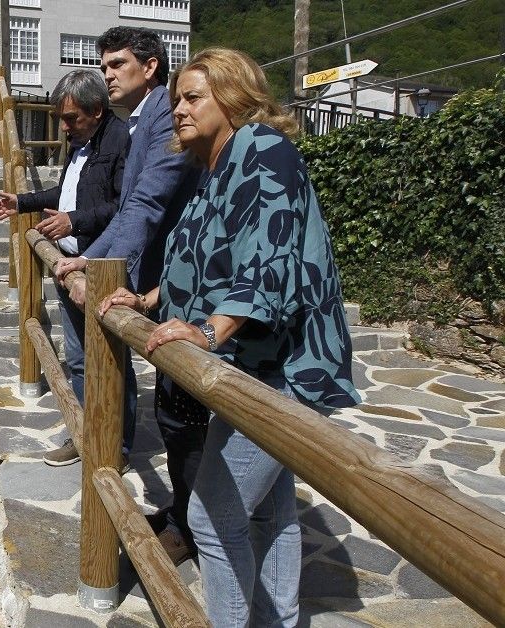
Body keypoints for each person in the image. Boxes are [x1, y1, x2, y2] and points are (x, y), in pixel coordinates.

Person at [99, 48, 360, 626]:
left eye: (194, 97)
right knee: (269, 513)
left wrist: (211, 331)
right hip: (255, 365)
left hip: (285, 367)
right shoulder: (213, 167)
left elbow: (270, 258)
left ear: (233, 96)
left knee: (214, 513)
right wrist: (146, 300)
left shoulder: (263, 150)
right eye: (177, 100)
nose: (180, 110)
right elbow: (196, 261)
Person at [49, 26, 204, 565]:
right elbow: (135, 205)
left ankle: (193, 525)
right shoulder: (143, 121)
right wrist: (89, 260)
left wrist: (92, 262)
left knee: (185, 410)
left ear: (151, 67)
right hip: (166, 282)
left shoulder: (161, 115)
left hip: (180, 287)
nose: (107, 74)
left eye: (117, 64)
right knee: (174, 409)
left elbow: (147, 205)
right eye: (105, 64)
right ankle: (187, 513)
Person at [0, 69, 128, 439]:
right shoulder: (83, 141)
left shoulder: (119, 141)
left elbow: (126, 208)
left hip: (98, 267)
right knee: (79, 360)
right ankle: (83, 433)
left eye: (70, 118)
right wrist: (22, 202)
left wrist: (75, 221)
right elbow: (66, 195)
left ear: (96, 109)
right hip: (68, 268)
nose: (63, 127)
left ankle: (115, 445)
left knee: (111, 363)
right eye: (61, 119)